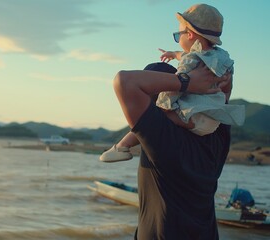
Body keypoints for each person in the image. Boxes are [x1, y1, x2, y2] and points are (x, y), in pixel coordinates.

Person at [109, 4, 236, 239]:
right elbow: (223, 90)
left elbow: (124, 81)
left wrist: (186, 82)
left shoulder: (162, 136)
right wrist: (203, 83)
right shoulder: (219, 129)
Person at [99, 3, 244, 163]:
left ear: (189, 35)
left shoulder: (191, 64)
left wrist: (163, 103)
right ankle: (120, 146)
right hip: (213, 122)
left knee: (158, 117)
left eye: (177, 35)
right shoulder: (223, 61)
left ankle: (122, 146)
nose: (177, 40)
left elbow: (177, 83)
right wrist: (175, 54)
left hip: (193, 118)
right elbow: (200, 61)